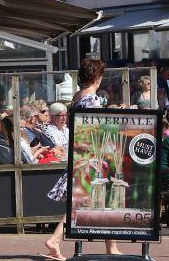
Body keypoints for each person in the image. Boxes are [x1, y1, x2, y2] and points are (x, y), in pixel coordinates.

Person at [44, 59, 120, 259]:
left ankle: (111, 247)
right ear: (96, 76)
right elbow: (95, 129)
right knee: (88, 201)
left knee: (96, 201)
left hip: (81, 154)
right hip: (91, 156)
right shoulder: (92, 99)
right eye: (101, 75)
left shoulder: (78, 97)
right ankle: (55, 240)